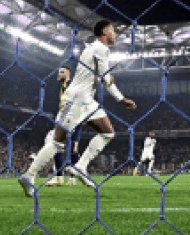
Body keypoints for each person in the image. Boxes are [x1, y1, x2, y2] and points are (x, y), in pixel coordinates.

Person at [18, 20, 136, 194]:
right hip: (75, 101)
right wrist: (119, 94)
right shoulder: (100, 48)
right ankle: (29, 175)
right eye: (113, 30)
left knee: (108, 132)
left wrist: (119, 96)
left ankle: (80, 166)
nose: (116, 34)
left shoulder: (93, 49)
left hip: (87, 100)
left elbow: (102, 77)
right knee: (58, 143)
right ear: (104, 32)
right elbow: (105, 78)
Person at [44, 68, 77, 187]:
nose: (59, 74)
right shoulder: (60, 87)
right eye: (58, 72)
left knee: (74, 148)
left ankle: (72, 178)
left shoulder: (73, 86)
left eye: (62, 72)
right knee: (57, 146)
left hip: (74, 118)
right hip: (62, 119)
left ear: (69, 74)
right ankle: (59, 177)